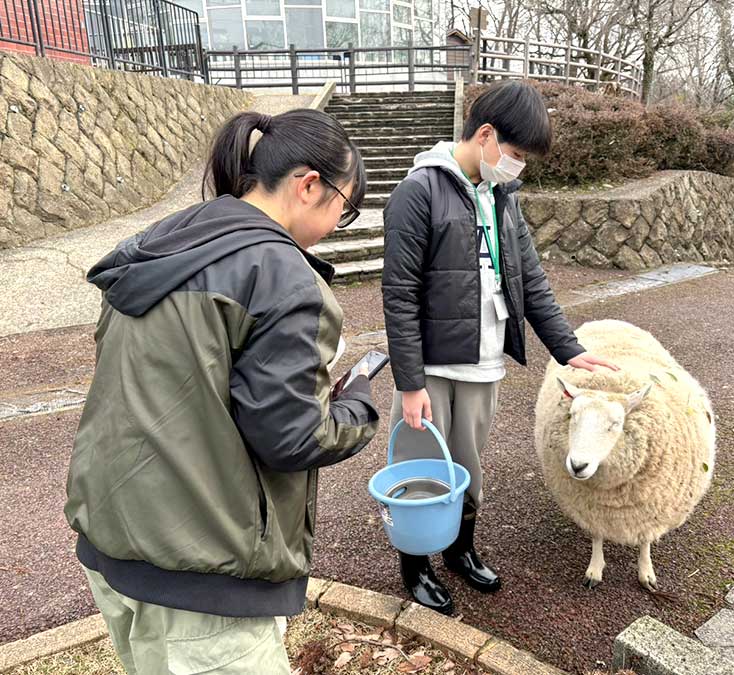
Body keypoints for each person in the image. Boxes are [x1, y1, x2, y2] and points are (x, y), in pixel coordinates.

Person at [64, 109, 379, 674]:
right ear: (309, 186)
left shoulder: (165, 241)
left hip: (112, 536)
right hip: (201, 572)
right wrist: (357, 405)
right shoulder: (280, 275)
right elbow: (292, 438)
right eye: (345, 208)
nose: (339, 223)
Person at [381, 80, 619, 615]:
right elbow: (397, 295)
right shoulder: (418, 192)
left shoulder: (501, 196)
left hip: (484, 359)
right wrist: (410, 382)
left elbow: (530, 280)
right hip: (433, 365)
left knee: (468, 465)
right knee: (423, 467)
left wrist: (567, 348)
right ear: (485, 135)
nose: (517, 168)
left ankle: (460, 550)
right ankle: (415, 564)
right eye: (513, 155)